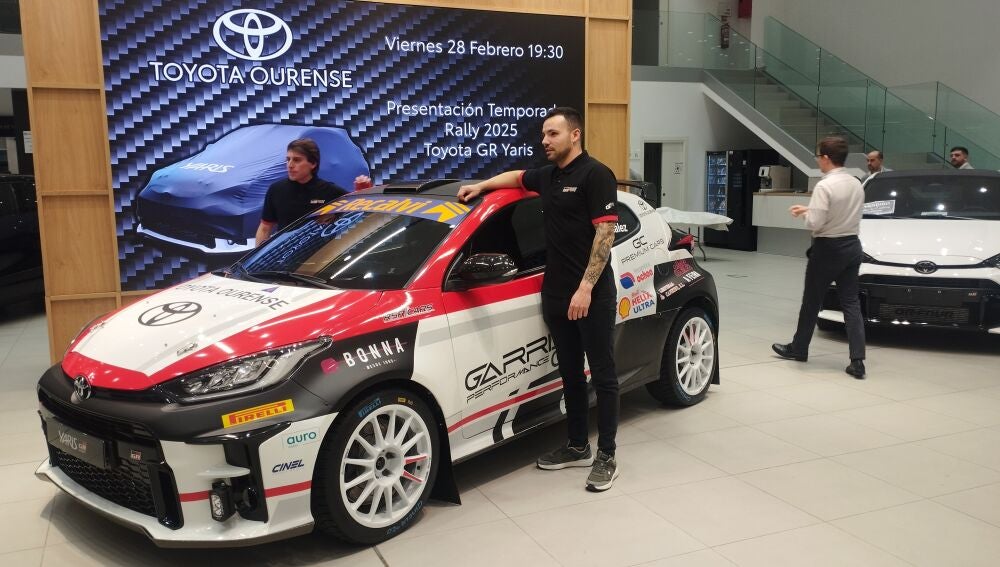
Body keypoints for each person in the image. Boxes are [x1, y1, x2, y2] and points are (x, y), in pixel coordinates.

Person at [457, 107, 621, 491]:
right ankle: (578, 445)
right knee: (569, 373)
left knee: (603, 374)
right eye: (543, 135)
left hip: (590, 293)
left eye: (552, 134)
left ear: (574, 135)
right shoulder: (548, 176)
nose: (544, 141)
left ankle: (607, 455)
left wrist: (585, 288)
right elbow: (515, 176)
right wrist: (482, 186)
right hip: (556, 292)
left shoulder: (596, 174)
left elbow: (605, 237)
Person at [772, 136, 867, 379]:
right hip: (852, 246)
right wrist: (810, 208)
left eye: (818, 156)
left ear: (825, 158)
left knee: (812, 301)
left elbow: (815, 223)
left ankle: (799, 348)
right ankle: (857, 360)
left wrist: (806, 215)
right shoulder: (856, 182)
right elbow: (843, 211)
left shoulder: (825, 186)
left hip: (828, 249)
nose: (817, 160)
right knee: (851, 303)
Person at [255, 138, 372, 243]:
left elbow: (361, 215)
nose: (290, 165)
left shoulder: (330, 191)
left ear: (313, 163)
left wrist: (364, 192)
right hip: (284, 258)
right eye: (288, 159)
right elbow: (265, 228)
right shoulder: (276, 189)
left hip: (320, 260)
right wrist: (256, 264)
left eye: (296, 160)